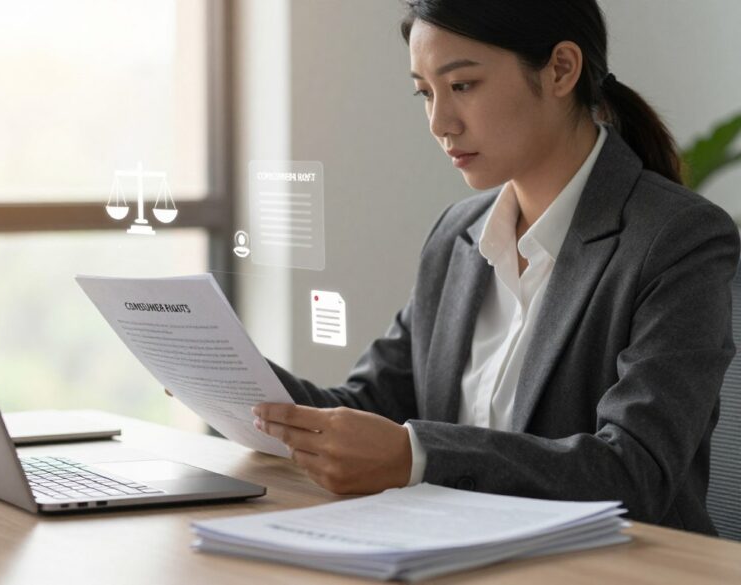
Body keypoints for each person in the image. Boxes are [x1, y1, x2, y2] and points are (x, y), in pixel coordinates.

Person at [249, 0, 739, 535]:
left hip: (611, 564)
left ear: (560, 69)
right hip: (453, 551)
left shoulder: (677, 238)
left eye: (462, 85)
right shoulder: (457, 235)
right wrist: (235, 375)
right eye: (425, 92)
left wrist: (420, 457)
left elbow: (633, 471)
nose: (440, 122)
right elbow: (371, 406)